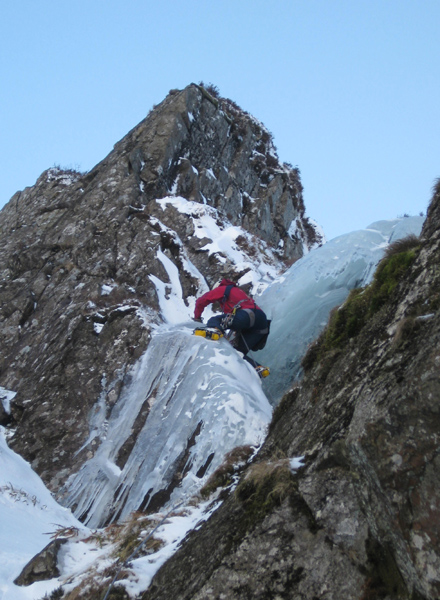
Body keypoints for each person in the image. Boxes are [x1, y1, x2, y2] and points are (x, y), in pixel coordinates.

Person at [193, 279, 269, 367]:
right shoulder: (239, 292)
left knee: (215, 320)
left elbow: (201, 301)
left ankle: (215, 331)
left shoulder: (223, 288)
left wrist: (197, 318)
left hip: (246, 315)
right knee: (237, 353)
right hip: (261, 322)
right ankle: (256, 368)